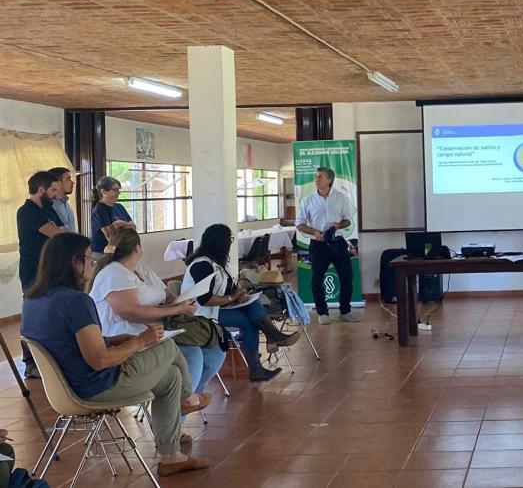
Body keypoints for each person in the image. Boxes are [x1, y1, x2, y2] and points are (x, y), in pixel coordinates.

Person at [19, 233, 211, 477]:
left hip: (64, 388)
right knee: (166, 345)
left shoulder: (32, 301)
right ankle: (188, 400)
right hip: (97, 386)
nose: (92, 263)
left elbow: (65, 341)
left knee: (171, 376)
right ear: (74, 262)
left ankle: (171, 455)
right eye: (88, 258)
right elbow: (100, 361)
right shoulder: (76, 302)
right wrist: (142, 341)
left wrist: (111, 340)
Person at [88, 228, 226, 396]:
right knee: (192, 354)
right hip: (128, 336)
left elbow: (166, 295)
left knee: (215, 348)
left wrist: (178, 301)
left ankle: (188, 396)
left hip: (158, 328)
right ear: (138, 248)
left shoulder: (142, 269)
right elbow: (131, 312)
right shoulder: (113, 273)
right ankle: (182, 402)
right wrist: (177, 309)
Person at [182, 224, 299, 382]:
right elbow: (205, 299)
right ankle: (266, 348)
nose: (231, 243)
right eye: (229, 239)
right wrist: (232, 298)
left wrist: (239, 294)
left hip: (218, 309)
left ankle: (270, 340)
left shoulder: (216, 263)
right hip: (201, 315)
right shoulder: (202, 265)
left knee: (252, 303)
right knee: (249, 322)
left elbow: (228, 287)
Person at [17, 171, 65, 378]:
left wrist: (59, 230)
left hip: (50, 269)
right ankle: (30, 363)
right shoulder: (27, 211)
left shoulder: (48, 209)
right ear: (40, 190)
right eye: (52, 190)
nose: (55, 195)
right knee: (33, 316)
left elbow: (63, 230)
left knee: (52, 314)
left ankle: (52, 360)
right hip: (32, 271)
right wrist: (58, 230)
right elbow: (56, 233)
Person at [295, 166, 358, 324]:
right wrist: (314, 232)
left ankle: (345, 311)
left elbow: (348, 219)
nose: (316, 180)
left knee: (347, 278)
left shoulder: (341, 197)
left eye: (320, 177)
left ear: (329, 179)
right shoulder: (308, 200)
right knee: (317, 280)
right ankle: (323, 313)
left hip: (338, 243)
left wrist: (338, 225)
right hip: (318, 245)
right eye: (316, 177)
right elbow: (300, 224)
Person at [90, 176, 135, 256]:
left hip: (121, 249)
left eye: (118, 190)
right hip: (103, 253)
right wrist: (125, 226)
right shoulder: (99, 209)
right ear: (104, 192)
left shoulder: (119, 207)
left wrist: (121, 223)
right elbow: (109, 235)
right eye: (115, 190)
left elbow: (133, 227)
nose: (118, 193)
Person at [47, 167, 77, 233]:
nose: (72, 182)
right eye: (68, 179)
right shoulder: (50, 206)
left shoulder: (66, 204)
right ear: (57, 183)